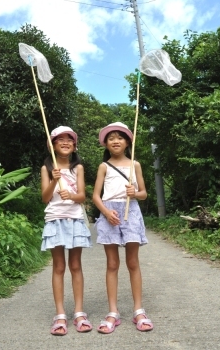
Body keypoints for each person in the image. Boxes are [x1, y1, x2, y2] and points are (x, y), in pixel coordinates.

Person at [93, 122, 153, 334]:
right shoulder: (104, 166)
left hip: (131, 211)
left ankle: (138, 309)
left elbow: (144, 193)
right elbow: (95, 196)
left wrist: (134, 193)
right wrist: (106, 213)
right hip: (110, 212)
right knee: (111, 263)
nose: (115, 141)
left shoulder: (134, 165)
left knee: (133, 262)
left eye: (120, 137)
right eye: (111, 138)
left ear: (128, 142)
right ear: (106, 144)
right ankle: (112, 311)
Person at [41, 126, 92, 336]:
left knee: (75, 265)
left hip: (75, 219)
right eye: (59, 139)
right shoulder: (47, 168)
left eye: (68, 140)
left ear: (74, 145)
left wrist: (70, 195)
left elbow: (82, 196)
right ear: (52, 145)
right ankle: (60, 314)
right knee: (59, 267)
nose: (64, 142)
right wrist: (54, 180)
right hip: (54, 219)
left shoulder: (77, 167)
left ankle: (79, 312)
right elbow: (45, 198)